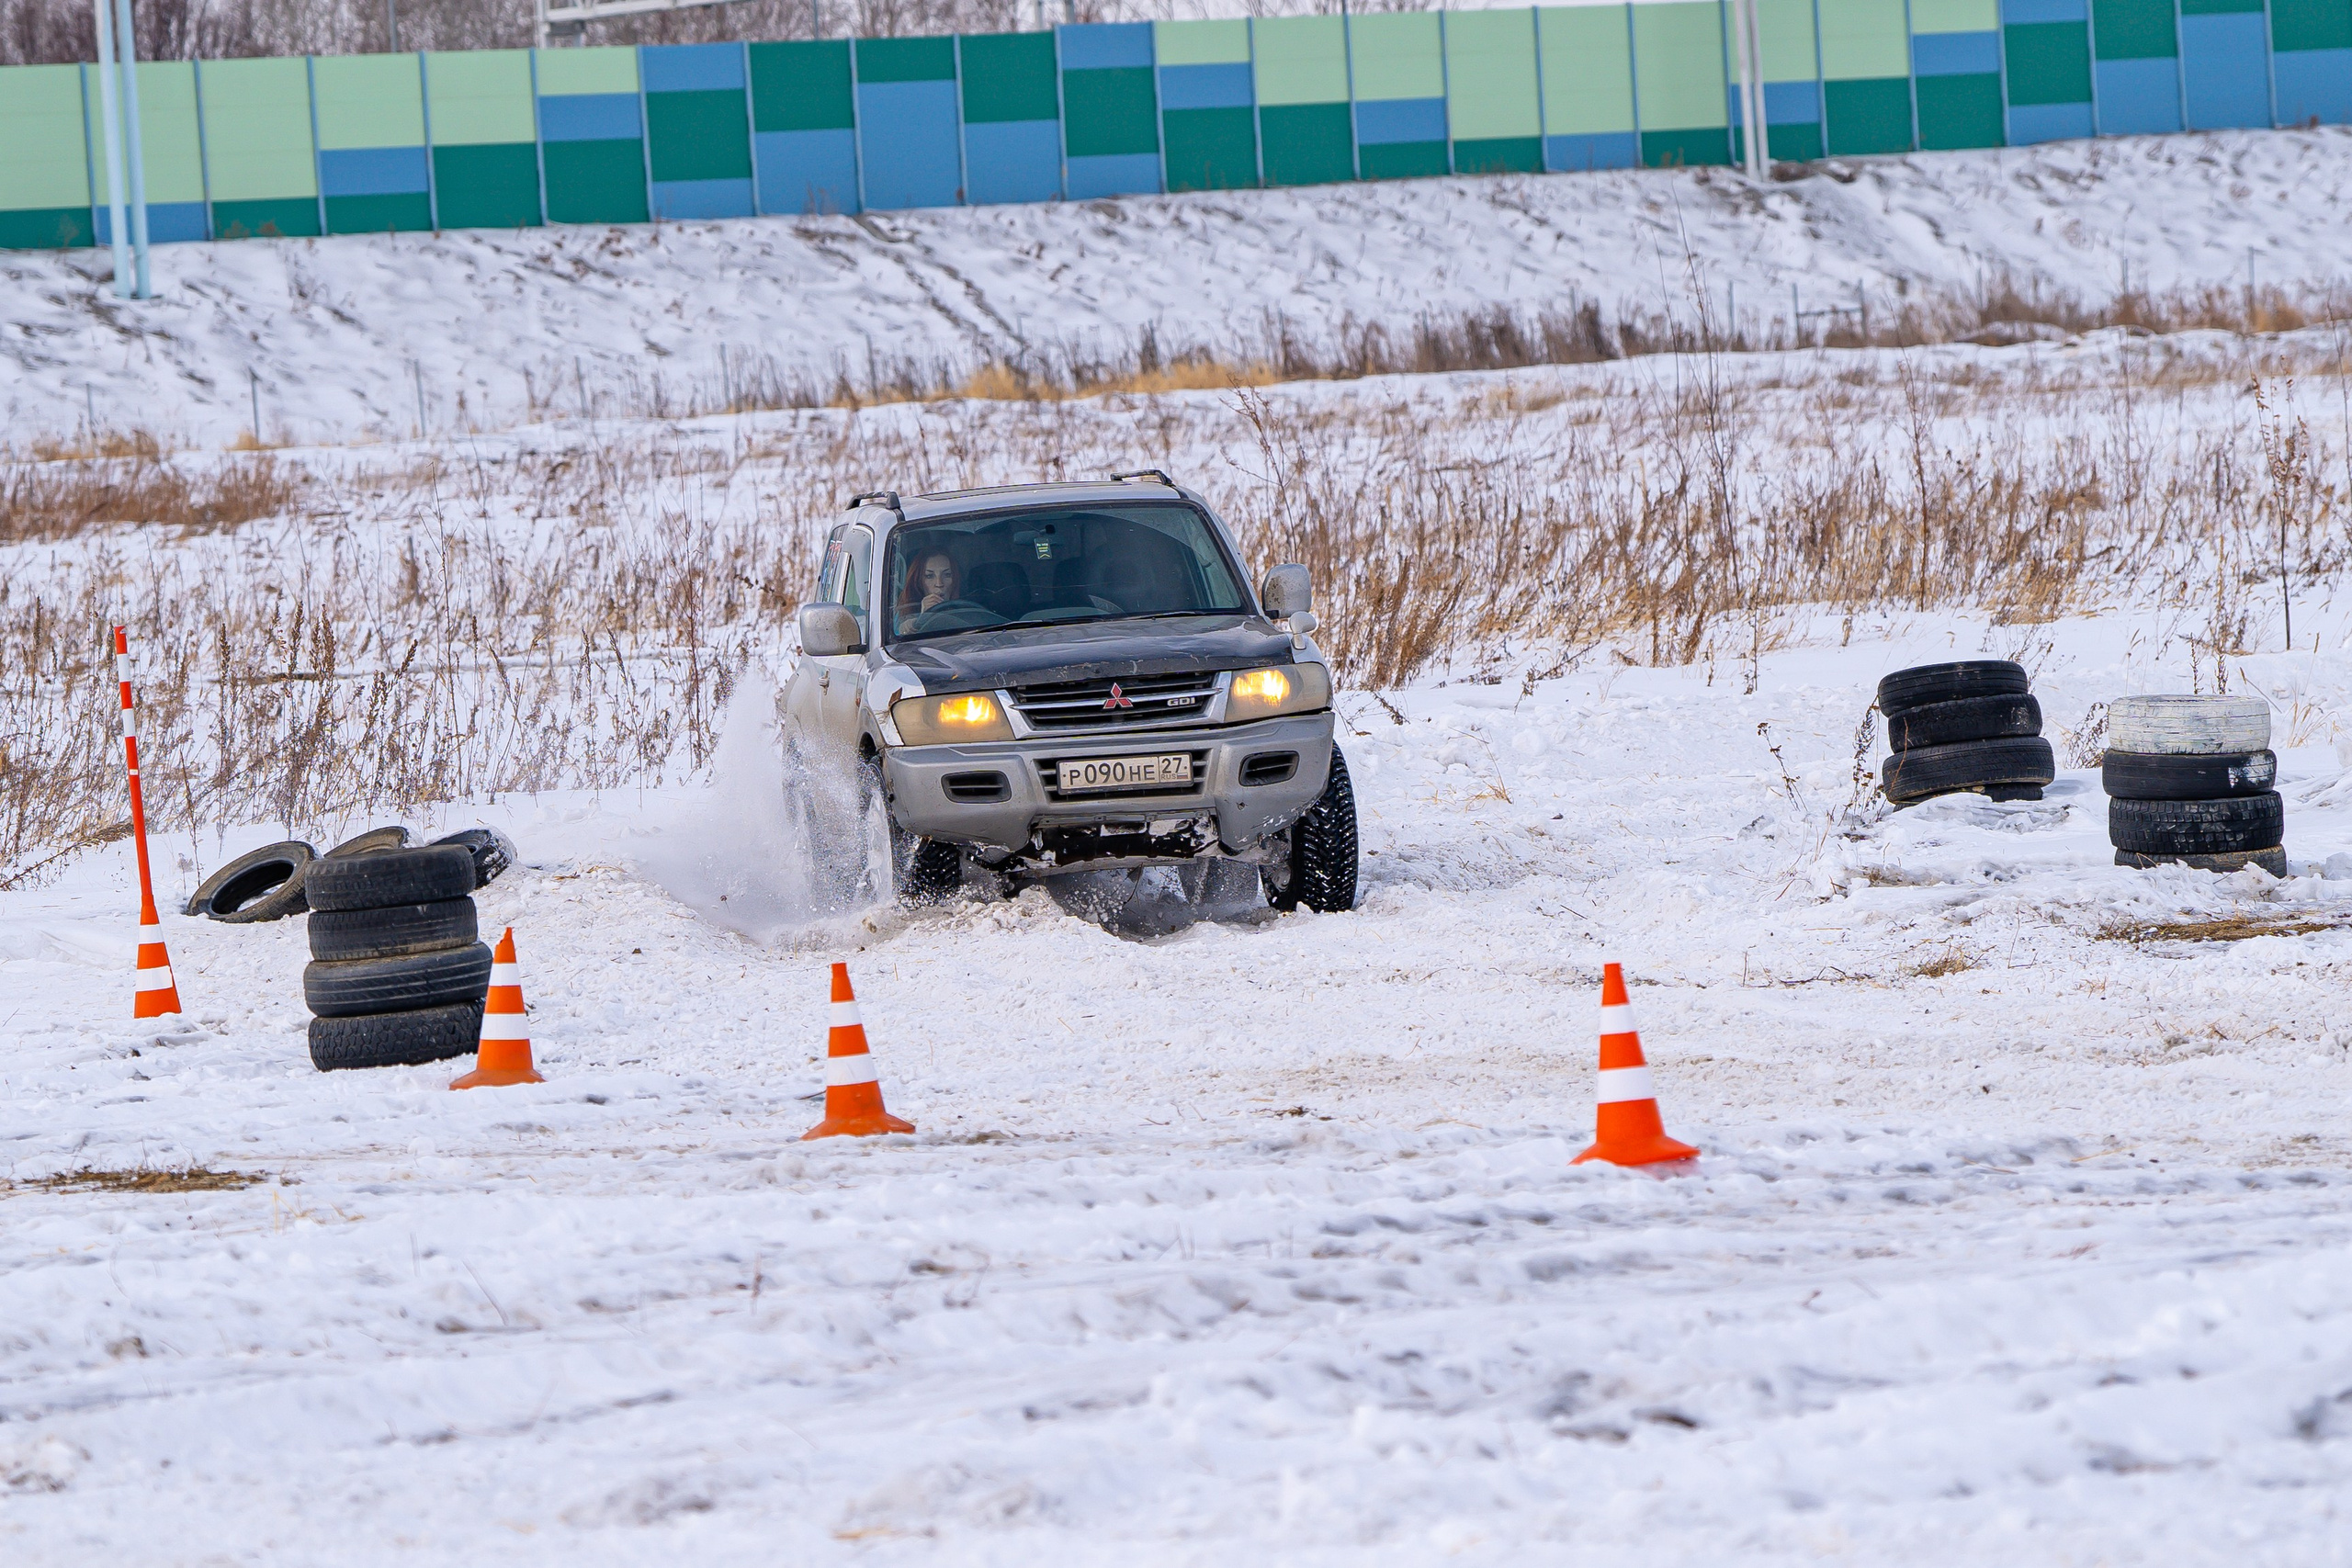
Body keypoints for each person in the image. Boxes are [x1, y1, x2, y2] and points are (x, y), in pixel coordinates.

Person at [895, 548, 961, 634]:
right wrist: (920, 620)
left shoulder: (971, 608)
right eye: (929, 576)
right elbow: (898, 633)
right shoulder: (905, 611)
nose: (939, 583)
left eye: (947, 575)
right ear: (918, 581)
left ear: (955, 578)